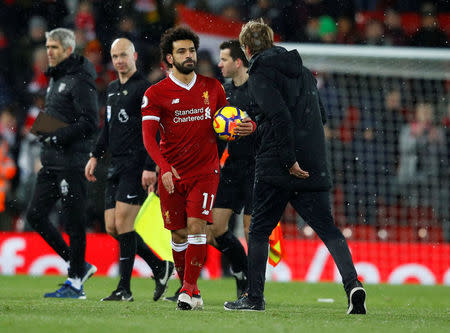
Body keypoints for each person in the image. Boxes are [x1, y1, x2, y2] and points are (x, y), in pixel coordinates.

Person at [224, 19, 366, 314]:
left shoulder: (260, 71)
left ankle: (254, 298)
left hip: (279, 164)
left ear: (247, 49)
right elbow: (320, 117)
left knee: (260, 230)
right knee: (328, 229)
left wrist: (288, 160)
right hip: (313, 163)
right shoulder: (302, 72)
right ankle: (353, 285)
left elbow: (280, 117)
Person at [141, 26, 254, 310]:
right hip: (172, 173)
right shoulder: (156, 93)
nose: (189, 55)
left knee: (197, 227)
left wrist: (247, 126)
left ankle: (188, 290)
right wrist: (164, 168)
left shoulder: (213, 88)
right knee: (178, 234)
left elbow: (228, 122)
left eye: (191, 50)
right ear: (169, 58)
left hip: (205, 171)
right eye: (181, 51)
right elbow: (148, 138)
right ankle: (192, 290)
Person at [84, 38, 174, 302]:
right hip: (114, 164)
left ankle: (124, 289)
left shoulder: (146, 90)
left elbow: (155, 132)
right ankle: (159, 267)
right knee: (112, 227)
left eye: (123, 55)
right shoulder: (111, 89)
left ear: (134, 55)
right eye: (114, 56)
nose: (119, 60)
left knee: (124, 223)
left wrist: (150, 166)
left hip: (136, 164)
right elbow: (108, 128)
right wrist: (94, 155)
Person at [26, 28, 98, 299]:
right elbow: (60, 115)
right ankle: (79, 265)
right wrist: (43, 128)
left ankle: (76, 284)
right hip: (51, 161)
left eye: (54, 47)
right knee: (35, 215)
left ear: (68, 50)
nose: (49, 51)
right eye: (47, 46)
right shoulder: (56, 78)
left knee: (74, 221)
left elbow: (90, 122)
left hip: (71, 161)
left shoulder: (79, 80)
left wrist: (56, 136)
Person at [211, 39, 257, 295]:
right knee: (214, 230)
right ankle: (241, 270)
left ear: (238, 62)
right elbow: (217, 135)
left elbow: (271, 124)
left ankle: (254, 288)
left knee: (252, 230)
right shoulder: (223, 92)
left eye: (224, 59)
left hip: (256, 167)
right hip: (231, 168)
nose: (219, 64)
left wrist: (253, 127)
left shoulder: (258, 89)